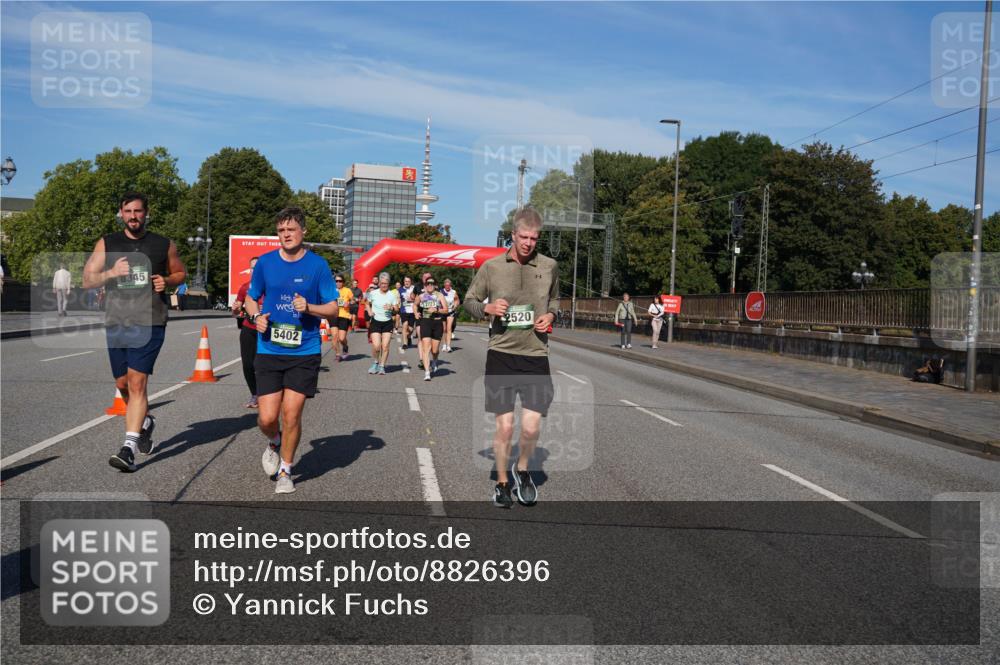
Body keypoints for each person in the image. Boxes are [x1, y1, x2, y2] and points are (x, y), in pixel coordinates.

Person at [83, 192, 187, 472]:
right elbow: (87, 280)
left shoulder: (162, 244)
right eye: (127, 211)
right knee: (122, 384)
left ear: (146, 213)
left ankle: (128, 448)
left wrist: (166, 280)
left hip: (150, 320)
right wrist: (111, 273)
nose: (133, 216)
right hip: (117, 321)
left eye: (138, 211)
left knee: (137, 382)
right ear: (121, 214)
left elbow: (180, 273)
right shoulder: (108, 243)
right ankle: (145, 423)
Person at [463, 207, 558, 509]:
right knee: (505, 427)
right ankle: (503, 483)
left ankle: (523, 469)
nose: (529, 243)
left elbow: (555, 299)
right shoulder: (491, 267)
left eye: (534, 238)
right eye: (524, 237)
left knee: (530, 428)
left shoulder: (549, 266)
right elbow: (469, 301)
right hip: (502, 354)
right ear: (513, 235)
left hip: (535, 355)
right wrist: (487, 310)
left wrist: (551, 314)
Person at [241, 206, 339, 494]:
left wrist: (309, 307)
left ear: (303, 232)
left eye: (291, 229)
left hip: (304, 351)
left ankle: (286, 470)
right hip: (269, 349)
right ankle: (274, 440)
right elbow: (250, 298)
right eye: (281, 230)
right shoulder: (266, 263)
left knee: (292, 413)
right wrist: (255, 316)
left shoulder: (318, 266)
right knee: (267, 418)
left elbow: (333, 309)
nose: (286, 235)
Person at [232, 256, 260, 408]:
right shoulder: (245, 287)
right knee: (248, 364)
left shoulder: (272, 286)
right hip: (249, 328)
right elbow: (235, 311)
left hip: (268, 330)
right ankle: (255, 394)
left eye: (257, 267)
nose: (254, 270)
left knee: (262, 364)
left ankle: (271, 393)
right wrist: (236, 308)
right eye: (252, 267)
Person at [414, 277, 448, 381]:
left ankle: (434, 360)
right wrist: (416, 313)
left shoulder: (439, 295)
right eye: (428, 283)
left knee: (434, 350)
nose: (430, 285)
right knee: (425, 348)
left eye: (432, 283)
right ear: (425, 285)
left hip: (437, 322)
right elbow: (415, 305)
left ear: (435, 285)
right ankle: (427, 372)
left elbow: (446, 310)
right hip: (425, 322)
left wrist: (437, 310)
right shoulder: (421, 296)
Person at [365, 272, 399, 375]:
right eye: (382, 283)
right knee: (376, 346)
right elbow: (366, 303)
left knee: (385, 346)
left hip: (387, 323)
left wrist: (392, 307)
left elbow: (397, 309)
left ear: (388, 284)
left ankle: (382, 366)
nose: (384, 285)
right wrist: (370, 311)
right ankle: (375, 362)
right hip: (375, 322)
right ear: (379, 283)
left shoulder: (392, 295)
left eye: (386, 283)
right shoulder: (373, 293)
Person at [333, 273, 354, 361]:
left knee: (341, 338)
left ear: (343, 282)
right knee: (334, 336)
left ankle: (345, 346)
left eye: (340, 281)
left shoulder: (347, 290)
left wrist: (349, 303)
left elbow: (353, 300)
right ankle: (338, 354)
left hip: (344, 316)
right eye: (336, 281)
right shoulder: (331, 290)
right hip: (333, 315)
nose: (338, 283)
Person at [441, 278, 461, 352]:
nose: (447, 287)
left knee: (449, 328)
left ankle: (449, 346)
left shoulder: (453, 292)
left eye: (448, 285)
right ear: (444, 285)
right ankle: (444, 345)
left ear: (450, 285)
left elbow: (457, 300)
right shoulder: (441, 292)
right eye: (446, 285)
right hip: (443, 312)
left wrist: (455, 305)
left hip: (451, 311)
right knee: (444, 329)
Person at [398, 275, 416, 349]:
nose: (407, 283)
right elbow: (398, 298)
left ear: (411, 282)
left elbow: (418, 298)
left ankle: (408, 337)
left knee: (411, 329)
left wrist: (411, 300)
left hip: (412, 311)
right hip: (404, 310)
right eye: (405, 281)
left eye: (408, 281)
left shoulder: (414, 289)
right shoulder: (400, 289)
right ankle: (405, 344)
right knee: (404, 326)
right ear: (403, 282)